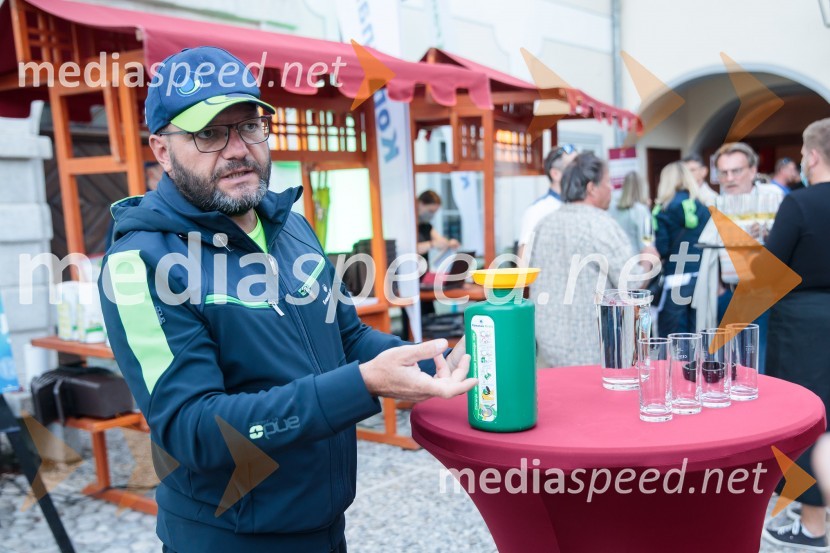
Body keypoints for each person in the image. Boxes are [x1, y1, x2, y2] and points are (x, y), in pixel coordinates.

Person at [97, 46, 474, 553]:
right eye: (208, 134)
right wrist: (361, 385)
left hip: (326, 523)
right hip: (228, 536)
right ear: (161, 150)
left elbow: (347, 335)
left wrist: (429, 363)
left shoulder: (291, 226)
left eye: (249, 125)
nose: (236, 149)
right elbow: (193, 428)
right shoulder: (140, 262)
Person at [762, 118, 830, 551]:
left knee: (806, 418)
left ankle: (812, 524)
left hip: (804, 322)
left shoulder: (800, 203)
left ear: (812, 156)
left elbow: (771, 270)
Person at [529, 152, 643, 367]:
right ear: (592, 187)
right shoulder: (600, 223)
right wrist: (649, 260)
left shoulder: (544, 223)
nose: (612, 188)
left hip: (547, 341)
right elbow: (632, 283)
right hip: (591, 343)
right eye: (608, 182)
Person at [692, 142, 784, 371]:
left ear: (753, 170)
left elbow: (788, 243)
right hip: (728, 296)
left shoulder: (773, 198)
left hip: (764, 297)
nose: (730, 178)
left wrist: (767, 232)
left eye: (737, 170)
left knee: (758, 368)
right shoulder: (716, 204)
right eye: (724, 172)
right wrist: (719, 289)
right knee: (726, 366)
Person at [652, 162, 710, 336]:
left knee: (672, 338)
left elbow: (662, 248)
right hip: (702, 276)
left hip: (677, 278)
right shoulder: (703, 207)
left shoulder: (663, 209)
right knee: (697, 335)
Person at [517, 144, 578, 259]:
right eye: (572, 168)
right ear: (555, 174)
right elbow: (524, 263)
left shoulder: (582, 206)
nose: (580, 173)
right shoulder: (537, 211)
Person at [609, 171, 652, 254]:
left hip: (618, 257)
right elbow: (647, 242)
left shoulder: (612, 208)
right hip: (636, 260)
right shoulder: (642, 211)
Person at [416, 190, 459, 255]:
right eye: (430, 211)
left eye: (434, 212)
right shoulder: (409, 226)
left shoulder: (427, 226)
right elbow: (410, 250)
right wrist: (432, 244)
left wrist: (449, 243)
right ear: (420, 204)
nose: (432, 215)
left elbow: (439, 241)